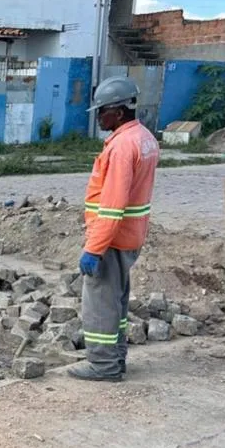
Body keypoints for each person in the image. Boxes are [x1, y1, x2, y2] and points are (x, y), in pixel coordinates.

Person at [70, 76, 159, 382]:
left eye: (102, 111)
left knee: (101, 302)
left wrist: (93, 249)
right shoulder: (144, 138)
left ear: (119, 111)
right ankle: (116, 359)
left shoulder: (122, 147)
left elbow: (111, 206)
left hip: (111, 238)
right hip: (130, 236)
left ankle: (103, 366)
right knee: (117, 300)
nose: (98, 118)